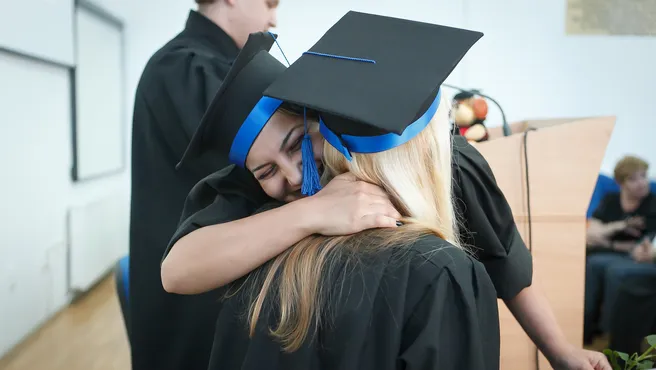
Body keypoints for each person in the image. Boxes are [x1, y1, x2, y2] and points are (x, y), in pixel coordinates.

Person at [162, 14, 611, 370]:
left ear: (318, 114)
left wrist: (559, 350)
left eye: (296, 145)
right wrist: (312, 212)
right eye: (265, 171)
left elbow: (505, 260)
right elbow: (178, 271)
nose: (292, 177)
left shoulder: (442, 160)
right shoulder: (254, 185)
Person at [128, 1, 280, 369]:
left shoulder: (209, 67)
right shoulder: (182, 66)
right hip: (193, 305)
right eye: (270, 2)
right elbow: (258, 160)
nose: (275, 17)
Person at [584, 155, 656, 344]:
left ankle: (609, 331)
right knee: (593, 264)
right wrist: (618, 227)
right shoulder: (611, 200)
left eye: (643, 176)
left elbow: (643, 246)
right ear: (620, 182)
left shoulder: (652, 203)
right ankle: (586, 327)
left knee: (612, 270)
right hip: (610, 251)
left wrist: (606, 237)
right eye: (633, 179)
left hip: (634, 256)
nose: (641, 183)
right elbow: (590, 234)